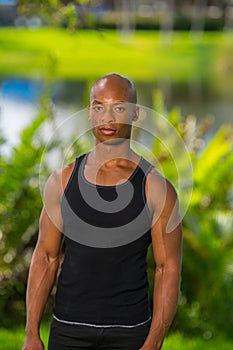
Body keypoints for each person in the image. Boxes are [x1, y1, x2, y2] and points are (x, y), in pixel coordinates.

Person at [23, 73, 182, 350]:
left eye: (118, 108)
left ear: (134, 114)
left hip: (130, 333)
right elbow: (46, 258)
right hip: (68, 330)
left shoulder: (156, 189)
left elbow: (167, 269)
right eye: (99, 107)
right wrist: (31, 334)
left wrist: (154, 342)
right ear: (89, 113)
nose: (107, 118)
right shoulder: (61, 181)